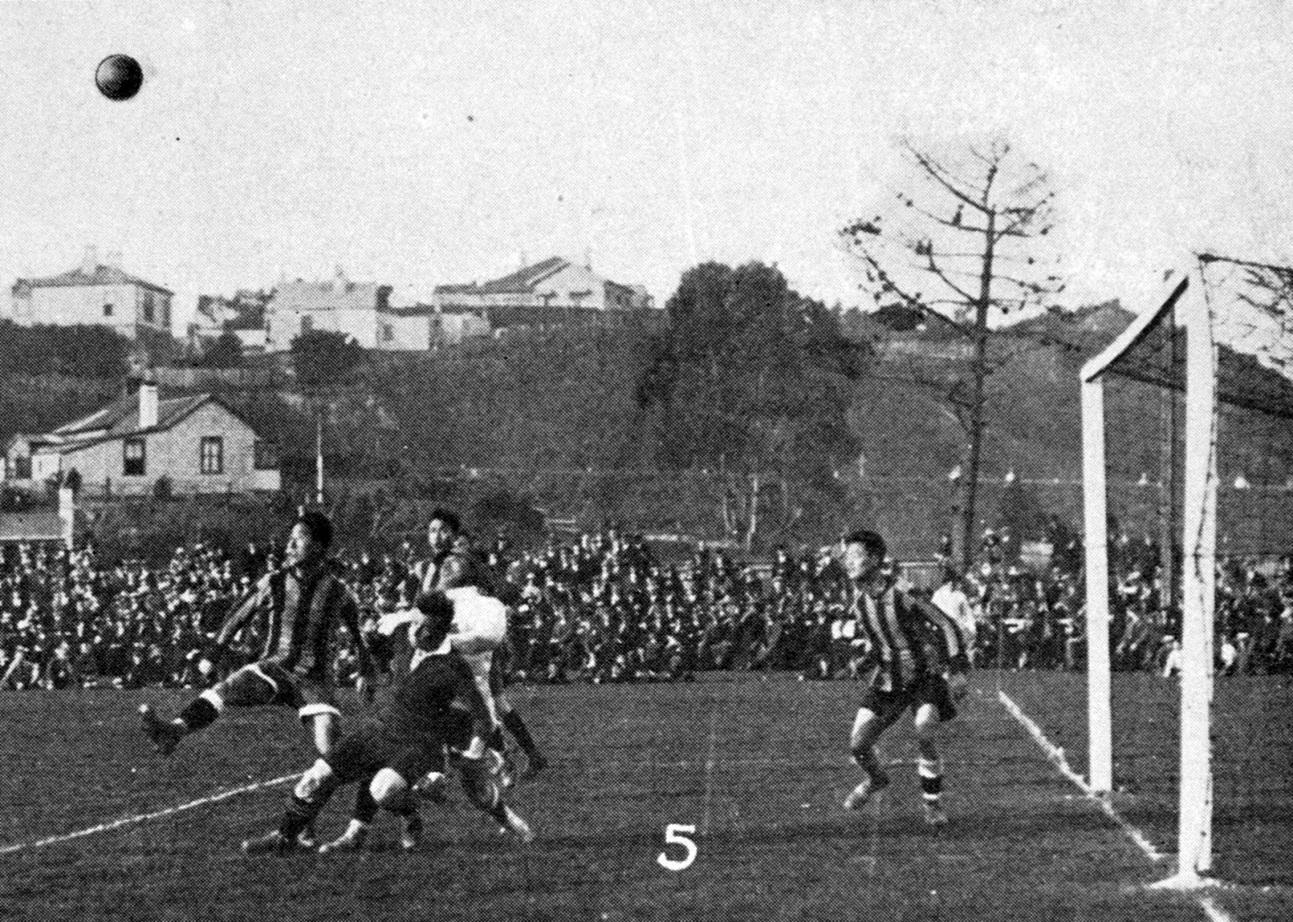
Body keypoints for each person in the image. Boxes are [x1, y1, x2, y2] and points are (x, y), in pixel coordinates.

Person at [241, 589, 534, 856]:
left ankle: (411, 810)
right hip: (380, 728)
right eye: (416, 622)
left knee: (382, 791)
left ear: (441, 631)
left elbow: (484, 720)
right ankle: (284, 837)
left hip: (417, 744)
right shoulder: (407, 638)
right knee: (314, 778)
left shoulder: (454, 668)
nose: (416, 630)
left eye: (424, 627)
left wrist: (478, 755)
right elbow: (370, 648)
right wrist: (365, 670)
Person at [140, 511, 375, 760]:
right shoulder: (273, 582)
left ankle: (377, 773)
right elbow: (237, 615)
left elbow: (358, 634)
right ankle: (174, 731)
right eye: (290, 538)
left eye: (298, 539)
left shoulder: (339, 592)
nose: (290, 545)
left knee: (331, 751)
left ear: (318, 547)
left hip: (314, 680)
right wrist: (213, 653)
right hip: (273, 668)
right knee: (223, 689)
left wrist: (367, 670)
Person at [841, 530, 970, 827]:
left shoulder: (902, 592)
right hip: (889, 680)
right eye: (846, 557)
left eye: (855, 556)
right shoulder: (860, 602)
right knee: (858, 746)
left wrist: (958, 670)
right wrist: (866, 660)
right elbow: (881, 644)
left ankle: (932, 804)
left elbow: (946, 624)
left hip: (924, 677)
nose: (848, 562)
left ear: (874, 560)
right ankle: (876, 780)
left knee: (924, 729)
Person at [413, 509, 546, 779]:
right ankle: (516, 755)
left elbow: (494, 584)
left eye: (443, 530)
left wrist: (520, 591)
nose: (437, 536)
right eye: (432, 531)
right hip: (452, 641)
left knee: (485, 702)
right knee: (487, 702)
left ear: (454, 533)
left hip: (471, 641)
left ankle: (498, 757)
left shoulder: (461, 562)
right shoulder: (429, 567)